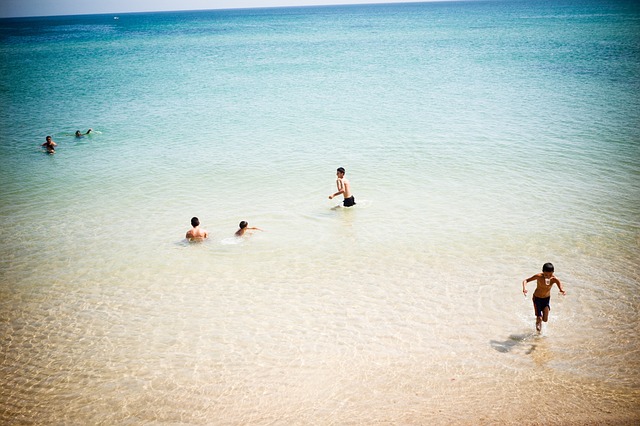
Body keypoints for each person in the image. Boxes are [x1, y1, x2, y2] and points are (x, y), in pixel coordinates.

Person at [522, 263, 566, 332]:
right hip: (537, 298)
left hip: (546, 299)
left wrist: (561, 289)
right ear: (543, 272)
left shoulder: (554, 279)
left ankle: (539, 319)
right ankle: (538, 335)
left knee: (545, 320)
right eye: (546, 275)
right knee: (539, 319)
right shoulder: (538, 276)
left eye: (550, 275)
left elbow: (560, 285)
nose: (548, 277)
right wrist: (524, 288)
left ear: (553, 273)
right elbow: (525, 280)